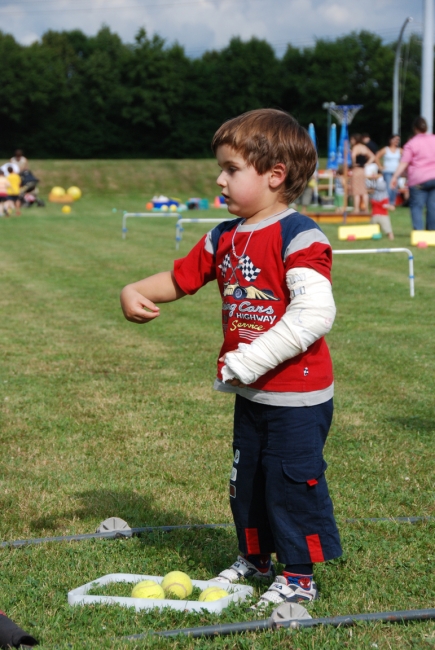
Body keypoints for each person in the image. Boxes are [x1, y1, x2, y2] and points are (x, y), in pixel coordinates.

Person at [120, 109, 342, 609]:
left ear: (274, 175)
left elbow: (314, 314)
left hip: (298, 394)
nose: (219, 179)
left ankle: (300, 577)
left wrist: (252, 358)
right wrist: (133, 288)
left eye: (231, 169)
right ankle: (256, 559)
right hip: (253, 391)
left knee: (291, 484)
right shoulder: (223, 235)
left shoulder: (301, 235)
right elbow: (180, 279)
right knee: (247, 481)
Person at [391, 117, 435, 230]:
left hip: (418, 179)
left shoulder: (411, 144)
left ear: (414, 129)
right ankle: (432, 233)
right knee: (433, 207)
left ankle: (419, 234)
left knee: (416, 207)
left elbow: (404, 163)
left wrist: (395, 177)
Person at [366, 167, 394, 240]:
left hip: (375, 213)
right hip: (382, 214)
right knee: (387, 229)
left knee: (374, 228)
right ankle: (390, 237)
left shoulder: (377, 186)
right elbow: (385, 205)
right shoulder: (384, 194)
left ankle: (377, 235)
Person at [350, 134, 376, 212]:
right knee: (363, 190)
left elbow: (353, 156)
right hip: (363, 170)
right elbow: (372, 157)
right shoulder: (364, 147)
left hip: (356, 169)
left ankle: (356, 209)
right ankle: (366, 209)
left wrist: (353, 163)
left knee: (356, 191)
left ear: (355, 140)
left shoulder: (355, 147)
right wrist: (366, 164)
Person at [375, 135, 403, 207]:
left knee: (395, 187)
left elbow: (406, 157)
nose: (397, 141)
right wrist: (380, 167)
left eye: (398, 140)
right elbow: (377, 158)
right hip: (387, 171)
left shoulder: (400, 150)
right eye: (395, 139)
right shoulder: (385, 149)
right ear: (391, 140)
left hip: (396, 171)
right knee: (389, 186)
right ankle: (389, 202)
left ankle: (392, 202)